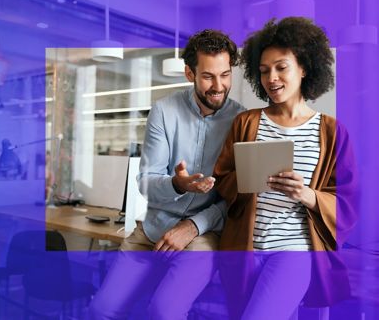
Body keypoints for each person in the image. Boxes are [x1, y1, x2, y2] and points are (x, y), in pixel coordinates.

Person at [89, 29, 245, 319]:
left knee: (164, 311)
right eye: (209, 76)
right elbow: (146, 181)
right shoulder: (163, 111)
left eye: (225, 75)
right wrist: (177, 184)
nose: (219, 85)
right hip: (152, 230)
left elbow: (238, 198)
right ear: (190, 74)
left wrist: (194, 225)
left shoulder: (242, 120)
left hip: (203, 234)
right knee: (102, 308)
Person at [213, 17, 358, 319]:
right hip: (245, 249)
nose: (271, 78)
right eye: (264, 71)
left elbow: (349, 199)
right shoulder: (246, 122)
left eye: (281, 67)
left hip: (294, 250)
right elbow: (221, 180)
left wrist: (308, 195)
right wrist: (246, 179)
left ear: (304, 68)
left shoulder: (331, 131)